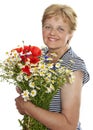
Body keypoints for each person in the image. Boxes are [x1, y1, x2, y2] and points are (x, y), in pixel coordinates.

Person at [15, 4, 90, 130]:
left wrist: (28, 108)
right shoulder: (40, 55)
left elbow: (69, 125)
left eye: (60, 29)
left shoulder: (72, 67)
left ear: (70, 34)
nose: (52, 33)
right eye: (48, 27)